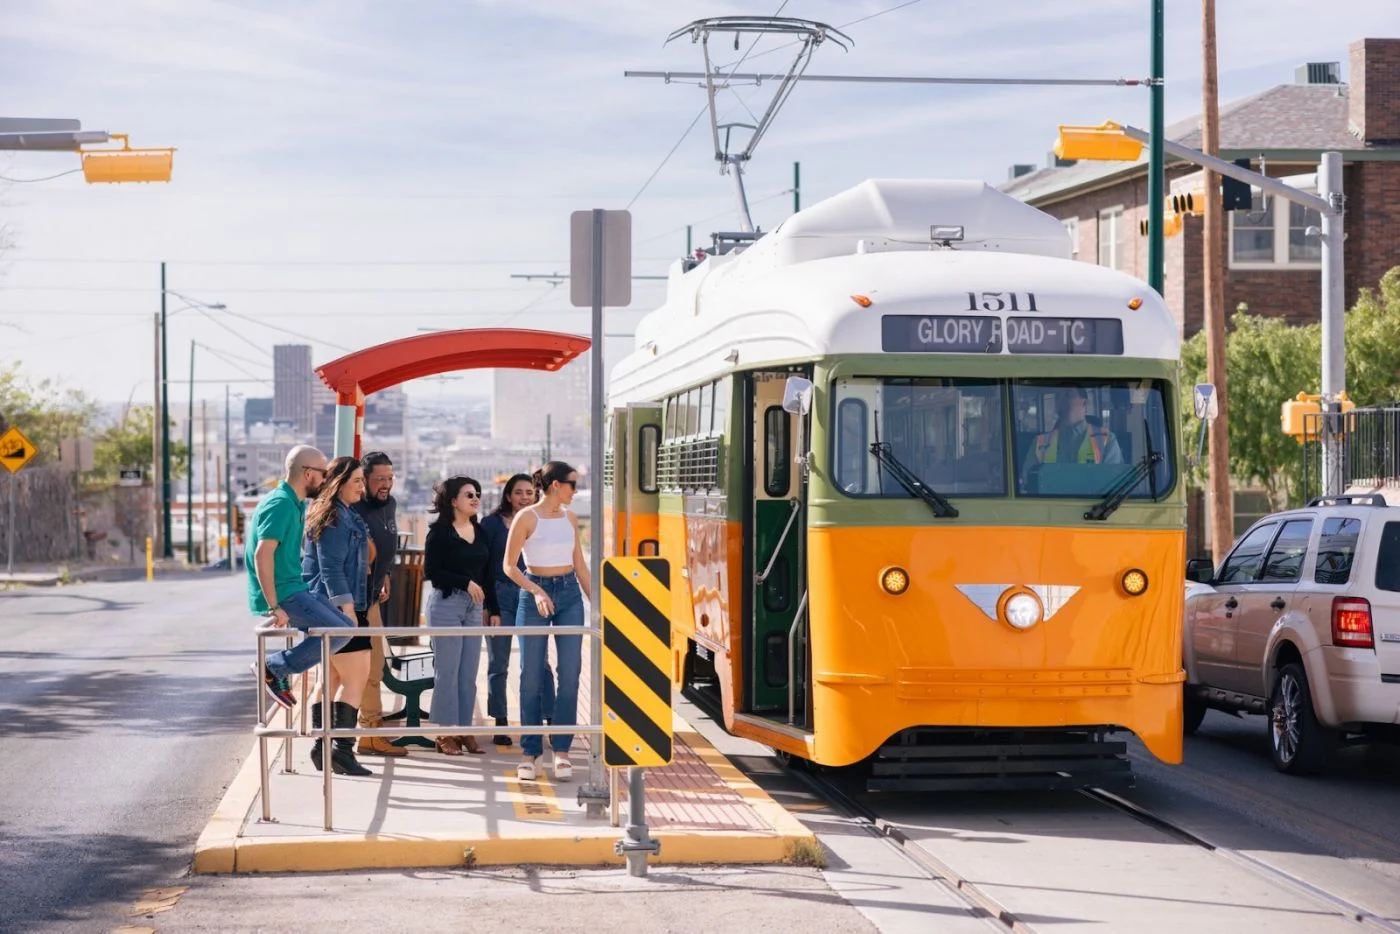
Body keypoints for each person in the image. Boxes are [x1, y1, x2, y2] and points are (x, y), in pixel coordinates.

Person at [248, 445, 357, 712]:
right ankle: (273, 668)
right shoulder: (281, 504)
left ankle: (278, 671)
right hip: (285, 593)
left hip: (297, 587)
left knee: (344, 626)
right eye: (323, 474)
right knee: (341, 632)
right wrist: (275, 606)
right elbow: (262, 555)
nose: (326, 480)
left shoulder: (293, 503)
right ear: (308, 474)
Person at [504, 461, 591, 783]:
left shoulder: (570, 517)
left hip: (569, 594)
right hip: (534, 594)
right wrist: (537, 591)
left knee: (570, 673)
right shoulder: (526, 518)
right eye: (572, 484)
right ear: (556, 485)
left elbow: (580, 565)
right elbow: (509, 566)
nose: (575, 491)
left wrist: (598, 606)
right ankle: (530, 752)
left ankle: (563, 751)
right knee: (531, 675)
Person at [301, 456, 374, 777]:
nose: (362, 486)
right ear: (339, 483)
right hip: (339, 609)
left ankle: (321, 748)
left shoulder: (333, 513)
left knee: (328, 680)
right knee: (356, 679)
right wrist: (348, 610)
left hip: (322, 607)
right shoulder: (335, 517)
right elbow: (330, 567)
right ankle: (341, 751)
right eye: (357, 481)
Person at [481, 474, 557, 747]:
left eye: (529, 493)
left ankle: (550, 717)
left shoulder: (543, 520)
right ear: (508, 495)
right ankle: (500, 720)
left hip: (532, 593)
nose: (524, 497)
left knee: (539, 661)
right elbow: (485, 567)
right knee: (498, 662)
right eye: (518, 493)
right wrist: (490, 606)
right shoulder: (490, 524)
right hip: (501, 595)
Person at [424, 476, 498, 756]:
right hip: (446, 605)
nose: (475, 498)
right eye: (469, 495)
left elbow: (488, 575)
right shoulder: (440, 533)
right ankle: (443, 733)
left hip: (474, 608)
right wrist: (464, 583)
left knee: (468, 673)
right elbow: (431, 572)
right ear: (453, 500)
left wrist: (495, 610)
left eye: (477, 494)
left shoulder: (480, 532)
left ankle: (464, 728)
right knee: (448, 672)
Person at [351, 450, 406, 759]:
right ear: (365, 480)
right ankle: (367, 733)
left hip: (373, 595)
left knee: (375, 665)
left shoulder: (391, 505)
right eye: (379, 479)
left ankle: (368, 731)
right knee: (364, 668)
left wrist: (384, 573)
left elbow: (386, 545)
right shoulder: (354, 509)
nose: (385, 485)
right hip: (354, 601)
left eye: (389, 478)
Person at [1023, 386, 1122, 487]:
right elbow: (1029, 484)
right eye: (1057, 396)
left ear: (1084, 403)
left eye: (1068, 394)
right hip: (1049, 502)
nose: (1060, 399)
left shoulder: (1107, 440)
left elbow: (1112, 484)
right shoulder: (1040, 442)